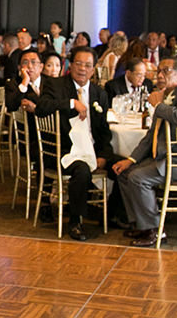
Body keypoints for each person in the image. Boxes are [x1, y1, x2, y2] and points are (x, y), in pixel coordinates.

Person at [112, 58, 177, 245]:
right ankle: (140, 224)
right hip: (166, 157)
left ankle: (155, 230)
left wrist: (158, 106)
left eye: (166, 71)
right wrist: (130, 159)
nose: (160, 75)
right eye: (159, 71)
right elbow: (151, 137)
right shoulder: (165, 95)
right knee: (124, 173)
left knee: (138, 178)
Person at [36, 46, 119, 240]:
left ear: (93, 69)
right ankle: (76, 221)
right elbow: (42, 107)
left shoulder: (100, 93)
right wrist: (72, 103)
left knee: (126, 166)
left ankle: (114, 214)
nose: (82, 69)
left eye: (87, 65)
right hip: (65, 151)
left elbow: (104, 132)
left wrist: (103, 156)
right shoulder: (55, 85)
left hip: (92, 149)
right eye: (79, 64)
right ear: (70, 65)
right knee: (81, 170)